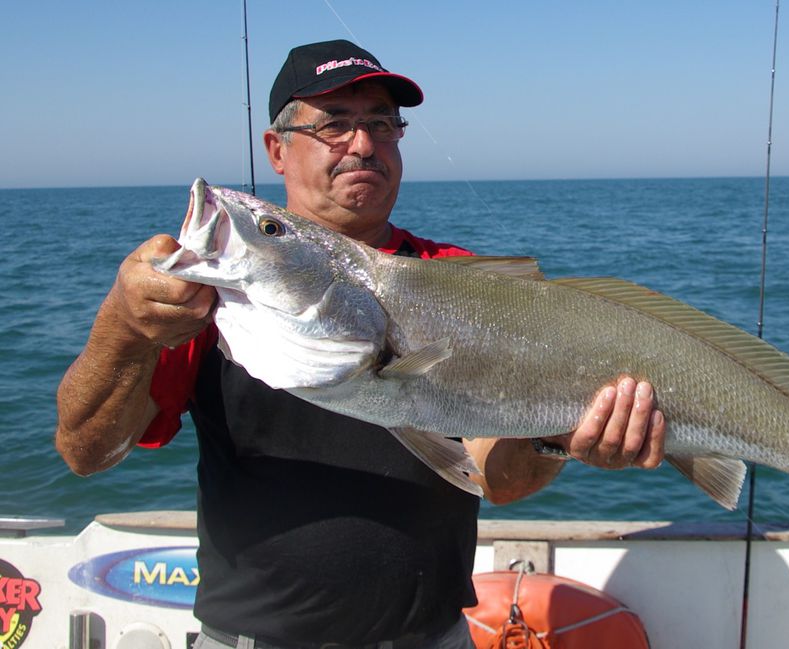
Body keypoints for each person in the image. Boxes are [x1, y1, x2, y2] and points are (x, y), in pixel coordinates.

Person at [55, 40, 666, 649]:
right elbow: (87, 453)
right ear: (277, 149)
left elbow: (495, 478)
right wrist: (124, 327)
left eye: (380, 123)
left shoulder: (457, 279)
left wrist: (556, 440)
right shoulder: (204, 295)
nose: (363, 144)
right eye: (334, 125)